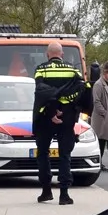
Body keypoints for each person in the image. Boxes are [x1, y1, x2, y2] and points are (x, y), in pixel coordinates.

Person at [31, 42, 88, 204]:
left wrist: (52, 110)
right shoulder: (73, 70)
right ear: (61, 54)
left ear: (47, 55)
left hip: (44, 118)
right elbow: (80, 91)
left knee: (43, 154)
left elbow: (41, 92)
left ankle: (46, 191)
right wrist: (63, 108)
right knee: (65, 155)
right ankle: (64, 194)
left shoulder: (41, 69)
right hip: (66, 117)